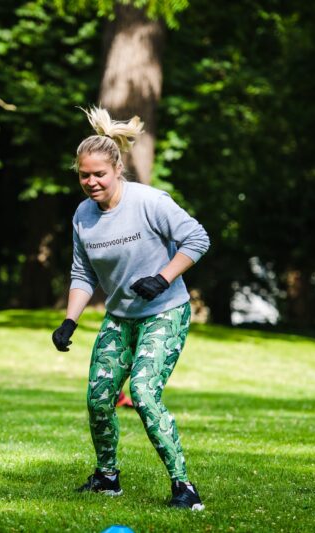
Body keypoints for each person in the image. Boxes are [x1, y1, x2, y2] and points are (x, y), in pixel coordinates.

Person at [51, 107, 210, 510]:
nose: (91, 182)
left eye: (99, 174)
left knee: (142, 391)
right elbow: (82, 272)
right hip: (120, 317)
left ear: (117, 168)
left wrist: (163, 277)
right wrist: (70, 321)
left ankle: (183, 487)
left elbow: (197, 239)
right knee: (99, 396)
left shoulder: (149, 202)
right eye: (84, 175)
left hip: (165, 312)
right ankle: (107, 477)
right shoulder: (83, 216)